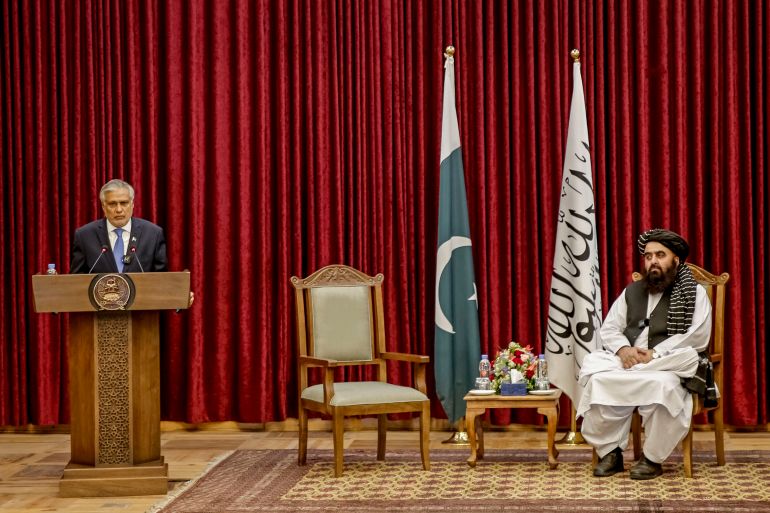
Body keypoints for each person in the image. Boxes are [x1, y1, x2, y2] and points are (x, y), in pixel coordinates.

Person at [577, 228, 712, 480]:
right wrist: (623, 349)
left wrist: (655, 354)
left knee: (666, 384)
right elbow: (610, 328)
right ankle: (610, 453)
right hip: (629, 362)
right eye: (648, 256)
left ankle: (652, 458)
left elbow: (698, 336)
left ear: (676, 260)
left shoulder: (695, 293)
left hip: (666, 363)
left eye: (660, 255)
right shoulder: (633, 291)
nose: (653, 261)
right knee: (598, 378)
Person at [70, 179, 168, 274]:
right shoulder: (84, 236)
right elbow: (76, 280)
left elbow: (162, 279)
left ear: (132, 204)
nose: (119, 209)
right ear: (103, 207)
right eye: (112, 204)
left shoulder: (153, 234)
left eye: (124, 203)